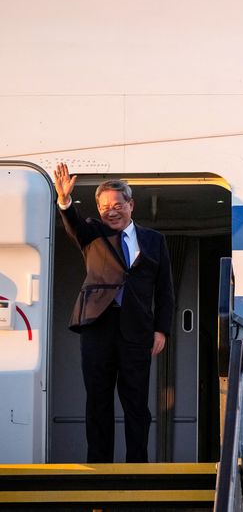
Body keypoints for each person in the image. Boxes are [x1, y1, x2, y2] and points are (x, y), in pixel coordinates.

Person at [53, 162, 174, 463]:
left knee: (137, 403)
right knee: (98, 400)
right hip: (97, 327)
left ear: (131, 205)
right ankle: (99, 467)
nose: (112, 212)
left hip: (137, 330)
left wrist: (162, 330)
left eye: (118, 205)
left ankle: (137, 468)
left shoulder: (154, 240)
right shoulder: (92, 233)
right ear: (98, 209)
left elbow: (165, 290)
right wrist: (65, 201)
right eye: (105, 207)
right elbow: (72, 224)